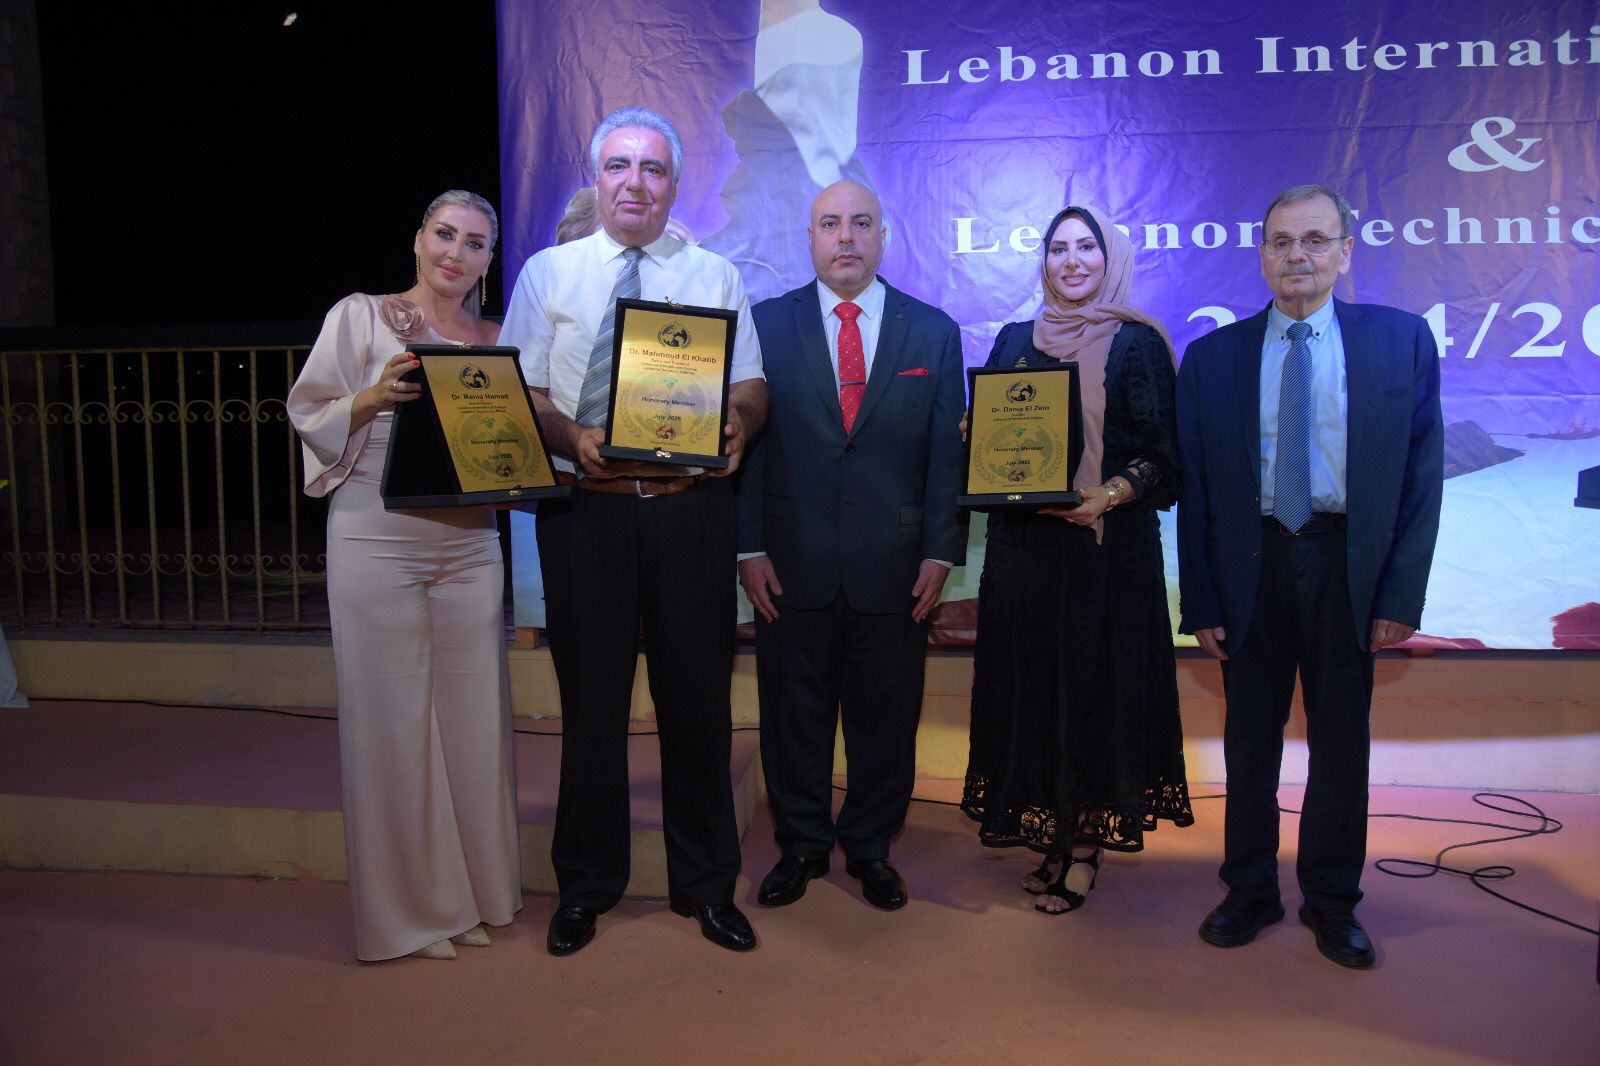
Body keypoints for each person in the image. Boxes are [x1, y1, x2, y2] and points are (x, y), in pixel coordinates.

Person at [499, 106, 769, 956]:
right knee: (592, 705)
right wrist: (569, 437)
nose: (635, 183)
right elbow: (524, 391)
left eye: (653, 169)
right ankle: (585, 886)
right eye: (619, 166)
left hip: (691, 512)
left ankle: (707, 887)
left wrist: (739, 421)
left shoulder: (715, 276)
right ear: (597, 177)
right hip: (587, 514)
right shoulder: (548, 274)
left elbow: (751, 384)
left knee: (699, 705)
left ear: (675, 184)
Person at [1177, 184, 1444, 968]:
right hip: (1251, 565)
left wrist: (1399, 594)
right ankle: (1249, 890)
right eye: (1282, 241)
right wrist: (1202, 598)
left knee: (1340, 747)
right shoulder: (1213, 358)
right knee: (1248, 744)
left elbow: (1422, 479)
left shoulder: (1401, 343)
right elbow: (1197, 490)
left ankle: (1332, 901)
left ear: (1346, 252)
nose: (1298, 255)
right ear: (1262, 255)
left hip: (1345, 564)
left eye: (1315, 240)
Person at [287, 190, 521, 962]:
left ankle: (474, 896)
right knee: (391, 728)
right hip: (375, 540)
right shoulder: (360, 317)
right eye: (444, 234)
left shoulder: (499, 338)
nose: (456, 252)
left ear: (489, 260)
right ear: (418, 240)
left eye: (475, 242)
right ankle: (411, 914)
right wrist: (372, 398)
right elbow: (309, 412)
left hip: (472, 548)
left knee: (474, 725)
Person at [738, 180, 965, 912]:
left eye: (861, 223)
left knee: (885, 723)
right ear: (809, 238)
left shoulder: (933, 331)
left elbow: (947, 457)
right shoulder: (763, 325)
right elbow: (747, 448)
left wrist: (941, 552)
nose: (846, 237)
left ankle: (870, 847)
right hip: (788, 564)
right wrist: (747, 547)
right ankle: (802, 845)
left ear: (882, 236)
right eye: (830, 223)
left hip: (896, 571)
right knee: (792, 719)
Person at [961, 204, 1193, 915]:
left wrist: (1111, 494)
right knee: (1034, 693)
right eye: (1058, 248)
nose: (1071, 261)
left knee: (1097, 696)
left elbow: (1163, 458)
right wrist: (978, 435)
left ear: (1109, 258)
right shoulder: (1013, 340)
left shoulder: (1138, 343)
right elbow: (996, 443)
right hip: (1025, 555)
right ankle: (1054, 836)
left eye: (1086, 247)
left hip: (1107, 557)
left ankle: (1085, 845)